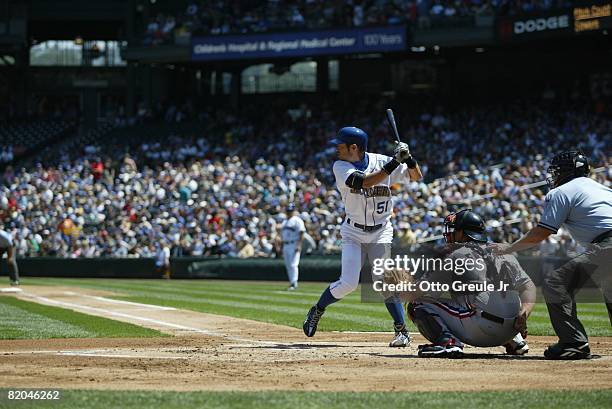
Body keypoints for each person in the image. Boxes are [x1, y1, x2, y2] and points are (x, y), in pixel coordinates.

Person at [303, 126, 422, 347]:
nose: (336, 149)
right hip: (353, 232)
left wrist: (410, 159)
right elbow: (364, 182)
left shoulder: (382, 160)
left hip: (381, 230)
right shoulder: (340, 166)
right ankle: (317, 310)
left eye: (340, 146)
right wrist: (396, 161)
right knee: (348, 283)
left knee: (383, 280)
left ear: (353, 147)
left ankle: (402, 331)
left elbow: (416, 177)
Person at [496, 150, 612, 360]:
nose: (554, 175)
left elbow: (540, 233)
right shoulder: (603, 188)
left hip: (607, 244)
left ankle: (573, 342)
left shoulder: (561, 192)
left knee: (556, 283)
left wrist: (508, 248)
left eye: (557, 171)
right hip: (606, 245)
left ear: (567, 171)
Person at [403, 209, 535, 358]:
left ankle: (448, 342)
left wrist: (401, 284)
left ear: (463, 233)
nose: (450, 234)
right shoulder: (504, 251)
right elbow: (528, 286)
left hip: (481, 329)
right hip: (512, 328)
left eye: (454, 230)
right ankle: (514, 341)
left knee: (416, 304)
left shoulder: (455, 253)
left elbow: (417, 293)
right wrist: (524, 313)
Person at [281, 203, 306, 290]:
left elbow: (302, 232)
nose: (289, 212)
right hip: (286, 245)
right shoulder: (284, 221)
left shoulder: (297, 220)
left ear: (293, 211)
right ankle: (292, 282)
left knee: (293, 264)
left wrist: (299, 245)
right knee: (288, 265)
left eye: (290, 210)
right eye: (288, 210)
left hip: (294, 244)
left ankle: (294, 283)